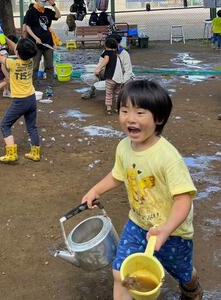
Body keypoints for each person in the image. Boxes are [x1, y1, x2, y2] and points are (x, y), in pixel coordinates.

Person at [81, 80, 203, 300]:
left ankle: (192, 286)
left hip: (173, 232)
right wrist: (95, 190)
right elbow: (118, 175)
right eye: (124, 110)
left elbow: (183, 199)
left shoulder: (168, 157)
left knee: (182, 272)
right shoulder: (123, 147)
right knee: (121, 272)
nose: (130, 118)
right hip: (137, 224)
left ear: (159, 118)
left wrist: (165, 230)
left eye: (139, 112)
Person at [0, 35, 41, 164]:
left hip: (20, 101)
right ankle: (35, 153)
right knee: (32, 127)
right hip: (31, 99)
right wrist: (5, 37)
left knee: (4, 125)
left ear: (18, 52)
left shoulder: (12, 63)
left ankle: (11, 154)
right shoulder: (31, 60)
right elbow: (18, 49)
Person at [81, 34, 134, 101]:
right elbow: (101, 64)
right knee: (97, 74)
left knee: (129, 81)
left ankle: (124, 96)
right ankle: (92, 91)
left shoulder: (124, 54)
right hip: (109, 73)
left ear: (118, 43)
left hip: (121, 75)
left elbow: (128, 71)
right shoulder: (105, 52)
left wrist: (122, 82)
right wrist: (98, 70)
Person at [25, 0, 61, 94]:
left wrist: (53, 5)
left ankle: (50, 85)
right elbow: (27, 27)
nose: (43, 1)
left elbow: (58, 16)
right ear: (36, 0)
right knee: (35, 66)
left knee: (49, 66)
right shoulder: (30, 12)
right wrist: (35, 38)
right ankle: (33, 85)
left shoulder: (48, 11)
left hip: (48, 43)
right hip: (35, 44)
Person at [94, 37, 123, 115]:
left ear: (106, 45)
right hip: (119, 78)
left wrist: (98, 69)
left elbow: (106, 60)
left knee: (109, 93)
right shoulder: (117, 54)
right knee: (117, 93)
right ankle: (118, 108)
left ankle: (109, 109)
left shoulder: (107, 52)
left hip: (111, 77)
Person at [0, 35, 18, 103]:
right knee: (8, 78)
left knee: (7, 73)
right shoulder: (5, 52)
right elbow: (2, 67)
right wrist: (7, 77)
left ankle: (6, 91)